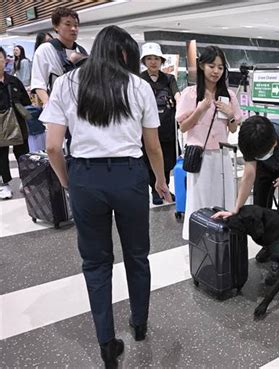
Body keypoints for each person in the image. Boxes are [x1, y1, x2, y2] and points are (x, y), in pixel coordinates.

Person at [42, 25, 172, 369]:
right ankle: (140, 324)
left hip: (86, 176)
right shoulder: (139, 86)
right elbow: (153, 146)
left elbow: (53, 145)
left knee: (96, 263)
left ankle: (105, 343)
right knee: (137, 254)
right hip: (129, 176)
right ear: (126, 54)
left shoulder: (66, 83)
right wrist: (160, 181)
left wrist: (70, 182)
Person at [214, 115, 279, 264]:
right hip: (265, 169)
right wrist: (236, 209)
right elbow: (249, 174)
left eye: (262, 154)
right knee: (260, 207)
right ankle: (268, 247)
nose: (260, 156)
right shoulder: (250, 141)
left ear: (274, 142)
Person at [176, 45, 241, 240]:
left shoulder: (229, 96)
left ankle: (222, 233)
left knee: (224, 195)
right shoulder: (190, 93)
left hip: (221, 155)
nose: (216, 71)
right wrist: (200, 109)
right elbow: (183, 127)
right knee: (200, 197)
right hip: (200, 156)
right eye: (212, 66)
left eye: (220, 68)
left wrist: (230, 115)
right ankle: (199, 235)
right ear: (202, 66)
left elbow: (233, 129)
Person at [140, 42, 181, 205]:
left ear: (161, 60)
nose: (153, 62)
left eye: (156, 58)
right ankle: (154, 190)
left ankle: (165, 187)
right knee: (150, 159)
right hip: (148, 128)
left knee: (168, 159)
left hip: (167, 127)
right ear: (144, 61)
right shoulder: (139, 80)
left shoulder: (169, 78)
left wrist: (181, 102)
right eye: (149, 58)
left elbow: (177, 94)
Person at [31, 7, 87, 106]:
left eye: (76, 25)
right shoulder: (45, 50)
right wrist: (49, 106)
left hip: (83, 105)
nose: (73, 29)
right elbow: (39, 83)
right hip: (60, 106)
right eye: (68, 24)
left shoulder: (81, 50)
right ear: (56, 26)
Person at [0, 46, 30, 200]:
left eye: (0, 58)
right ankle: (4, 184)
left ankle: (25, 180)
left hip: (18, 122)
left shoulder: (14, 81)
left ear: (5, 60)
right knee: (1, 155)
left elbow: (26, 100)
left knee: (23, 153)